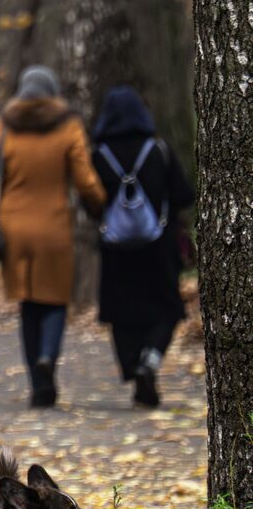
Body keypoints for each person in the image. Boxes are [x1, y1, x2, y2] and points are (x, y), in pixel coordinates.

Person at [0, 66, 106, 407]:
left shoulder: (5, 125)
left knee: (27, 305)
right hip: (54, 228)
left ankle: (37, 383)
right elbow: (85, 178)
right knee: (54, 301)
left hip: (14, 230)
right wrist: (99, 205)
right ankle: (48, 357)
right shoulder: (68, 125)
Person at [91, 86, 195, 407]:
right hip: (158, 248)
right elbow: (184, 194)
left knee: (121, 313)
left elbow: (91, 202)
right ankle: (149, 360)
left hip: (115, 250)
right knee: (167, 309)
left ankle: (134, 366)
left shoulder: (98, 155)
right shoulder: (158, 150)